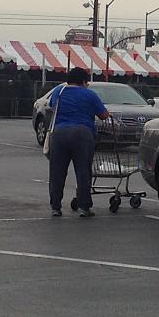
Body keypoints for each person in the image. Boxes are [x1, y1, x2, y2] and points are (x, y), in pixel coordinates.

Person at [48, 68, 110, 218]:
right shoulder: (89, 94)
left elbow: (51, 105)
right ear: (83, 81)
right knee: (83, 172)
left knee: (57, 172)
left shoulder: (59, 91)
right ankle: (84, 207)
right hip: (82, 134)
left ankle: (55, 207)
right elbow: (103, 115)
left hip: (59, 134)